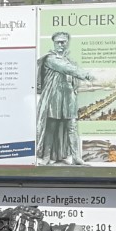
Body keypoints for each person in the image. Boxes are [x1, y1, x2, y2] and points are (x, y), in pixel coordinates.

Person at [36, 32, 95, 165]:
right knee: (51, 128)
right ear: (54, 43)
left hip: (68, 97)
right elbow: (66, 69)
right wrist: (85, 74)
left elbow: (73, 78)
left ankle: (76, 157)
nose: (61, 44)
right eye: (58, 42)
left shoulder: (70, 61)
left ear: (67, 43)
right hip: (54, 97)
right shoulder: (50, 59)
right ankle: (46, 156)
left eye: (63, 42)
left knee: (72, 127)